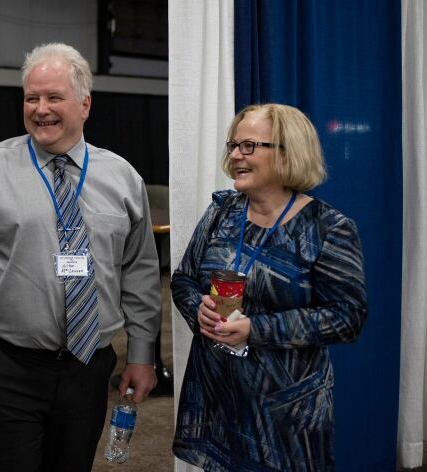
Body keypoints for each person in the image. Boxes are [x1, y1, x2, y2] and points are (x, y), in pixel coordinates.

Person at [0, 42, 161, 471]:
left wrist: (142, 354)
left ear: (85, 104)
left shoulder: (123, 178)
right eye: (31, 97)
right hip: (4, 367)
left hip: (88, 367)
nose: (40, 109)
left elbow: (141, 272)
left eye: (54, 97)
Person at [171, 103, 367, 470]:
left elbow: (347, 317)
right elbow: (183, 278)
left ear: (287, 153)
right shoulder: (222, 212)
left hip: (285, 413)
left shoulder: (328, 229)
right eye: (233, 145)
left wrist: (255, 330)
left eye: (248, 146)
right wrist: (197, 308)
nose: (234, 156)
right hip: (219, 398)